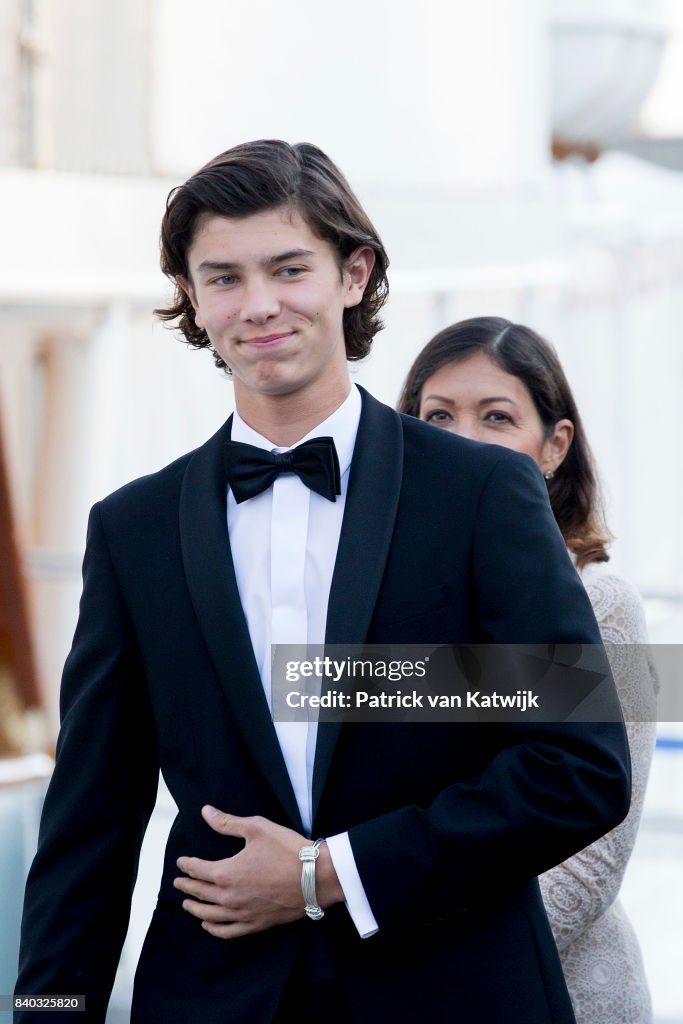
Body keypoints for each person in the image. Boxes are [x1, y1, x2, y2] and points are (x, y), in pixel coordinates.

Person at [15, 144, 630, 1024]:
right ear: (191, 298)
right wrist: (43, 1011)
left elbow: (577, 766)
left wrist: (328, 874)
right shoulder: (133, 530)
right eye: (222, 277)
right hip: (213, 999)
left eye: (288, 268)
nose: (258, 304)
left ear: (354, 272)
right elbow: (88, 828)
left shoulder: (482, 494)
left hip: (454, 993)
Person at [398, 315, 657, 1024]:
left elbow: (591, 861)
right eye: (438, 417)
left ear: (553, 446)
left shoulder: (601, 607)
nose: (463, 442)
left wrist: (424, 962)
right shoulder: (383, 611)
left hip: (553, 991)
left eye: (497, 417)